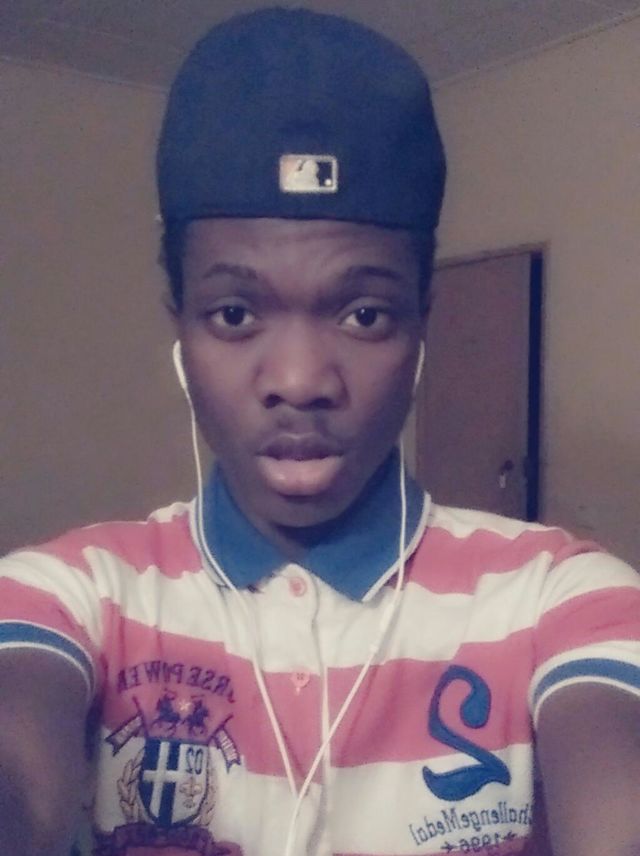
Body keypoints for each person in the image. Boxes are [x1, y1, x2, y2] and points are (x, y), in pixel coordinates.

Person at [0, 8, 639, 856]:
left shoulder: (560, 597)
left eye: (364, 313)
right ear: (180, 327)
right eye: (235, 314)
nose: (300, 381)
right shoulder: (74, 593)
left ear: (421, 326)